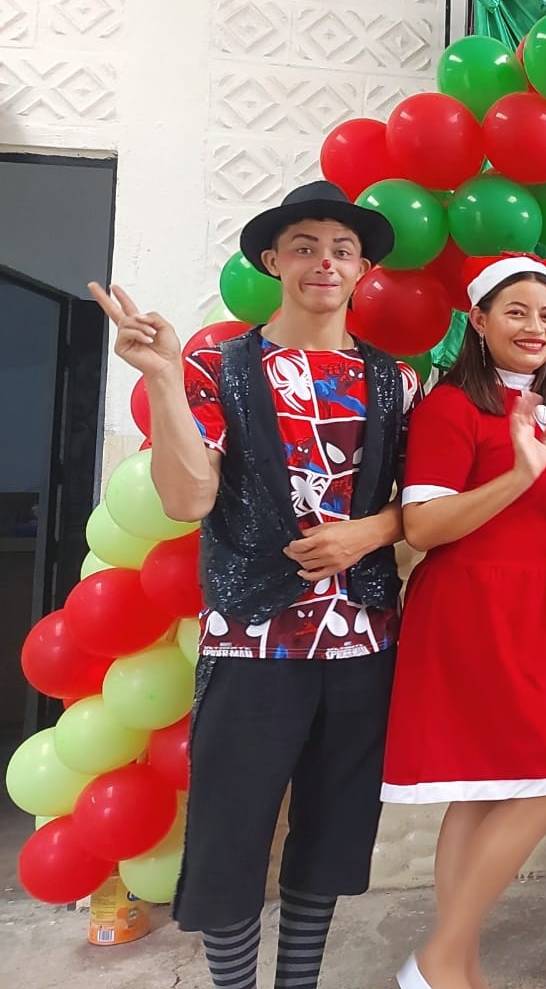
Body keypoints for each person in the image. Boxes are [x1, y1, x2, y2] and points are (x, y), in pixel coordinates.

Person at [89, 180, 420, 989]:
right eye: (305, 247)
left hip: (363, 642)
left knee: (332, 837)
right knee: (230, 839)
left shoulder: (398, 382)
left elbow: (422, 506)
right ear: (273, 261)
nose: (324, 262)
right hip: (252, 641)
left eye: (342, 249)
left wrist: (369, 532)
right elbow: (187, 499)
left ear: (363, 268)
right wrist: (163, 377)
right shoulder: (218, 366)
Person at [380, 254, 546, 989]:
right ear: (479, 320)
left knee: (483, 789)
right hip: (477, 607)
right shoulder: (452, 407)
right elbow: (423, 526)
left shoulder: (537, 409)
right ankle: (441, 957)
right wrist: (521, 476)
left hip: (533, 609)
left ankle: (455, 967)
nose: (536, 327)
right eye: (517, 312)